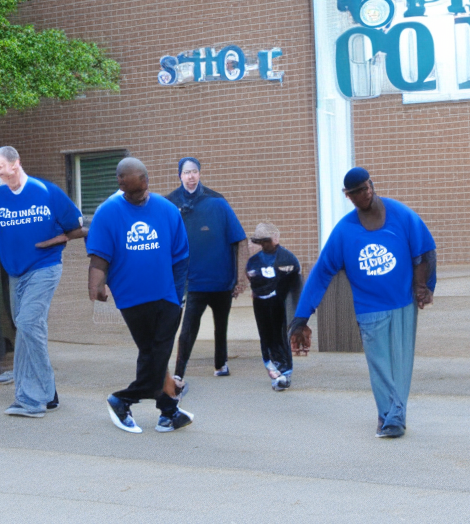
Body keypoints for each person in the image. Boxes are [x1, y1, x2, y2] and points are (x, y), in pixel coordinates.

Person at [288, 167, 436, 439]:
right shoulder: (344, 231)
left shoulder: (401, 215)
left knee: (401, 364)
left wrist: (424, 287)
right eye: (355, 193)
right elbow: (321, 272)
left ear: (372, 185)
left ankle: (394, 416)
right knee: (379, 364)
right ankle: (389, 417)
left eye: (366, 188)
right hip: (369, 309)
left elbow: (425, 249)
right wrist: (301, 316)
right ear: (348, 196)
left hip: (403, 303)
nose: (363, 194)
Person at [0, 146, 85, 418]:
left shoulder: (45, 191)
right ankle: (49, 394)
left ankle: (31, 399)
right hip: (16, 274)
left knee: (27, 323)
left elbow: (77, 225)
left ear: (16, 164)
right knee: (28, 329)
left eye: (0, 166)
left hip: (45, 267)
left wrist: (61, 238)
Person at [86, 158, 193, 433]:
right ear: (119, 183)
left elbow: (181, 257)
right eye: (128, 190)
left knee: (156, 353)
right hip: (131, 298)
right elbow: (99, 258)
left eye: (139, 189)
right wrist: (96, 285)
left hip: (166, 296)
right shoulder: (107, 213)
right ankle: (125, 400)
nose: (135, 195)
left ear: (146, 181)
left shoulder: (167, 210)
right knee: (152, 353)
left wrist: (176, 293)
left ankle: (165, 410)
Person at [166, 157, 247, 379]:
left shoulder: (218, 202)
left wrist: (240, 279)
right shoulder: (170, 204)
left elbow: (240, 240)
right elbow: (163, 245)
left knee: (221, 326)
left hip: (222, 280)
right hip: (194, 282)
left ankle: (221, 364)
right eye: (186, 172)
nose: (191, 176)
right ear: (180, 175)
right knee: (188, 329)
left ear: (199, 174)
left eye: (194, 171)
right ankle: (179, 374)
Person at [245, 223, 303, 391]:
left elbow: (294, 281)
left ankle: (285, 370)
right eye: (261, 241)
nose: (265, 244)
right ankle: (273, 368)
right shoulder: (254, 261)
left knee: (279, 334)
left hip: (280, 301)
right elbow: (252, 278)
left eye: (267, 240)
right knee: (266, 335)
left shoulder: (286, 258)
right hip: (261, 301)